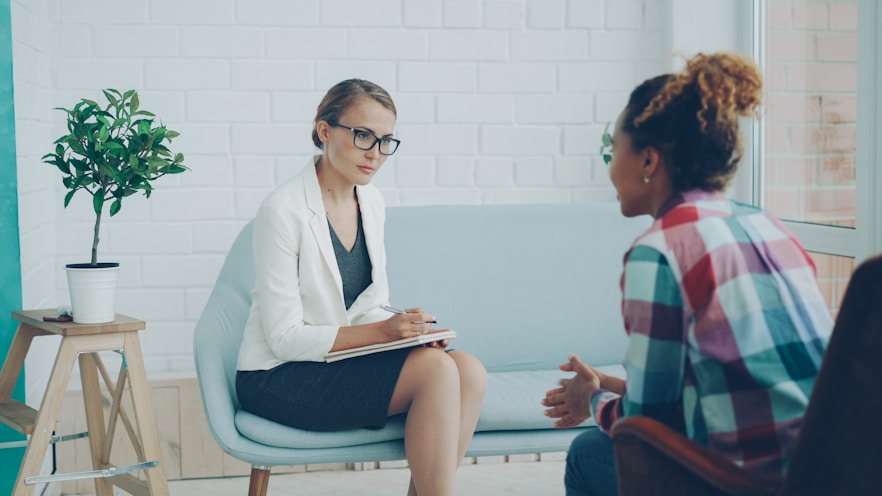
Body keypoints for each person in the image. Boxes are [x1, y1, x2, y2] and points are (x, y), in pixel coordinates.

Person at [542, 53, 833, 496]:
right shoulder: (767, 226)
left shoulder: (660, 250)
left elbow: (647, 424)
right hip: (830, 471)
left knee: (588, 453)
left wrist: (592, 400)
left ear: (648, 161)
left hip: (748, 483)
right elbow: (723, 381)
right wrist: (606, 383)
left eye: (614, 149)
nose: (610, 167)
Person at [236, 79, 487, 496]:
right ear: (325, 131)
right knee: (436, 372)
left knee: (470, 371)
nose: (375, 153)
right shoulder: (281, 212)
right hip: (279, 376)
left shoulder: (370, 202)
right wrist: (383, 334)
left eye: (386, 140)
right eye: (363, 135)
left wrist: (407, 330)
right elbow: (283, 339)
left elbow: (368, 306)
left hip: (337, 361)